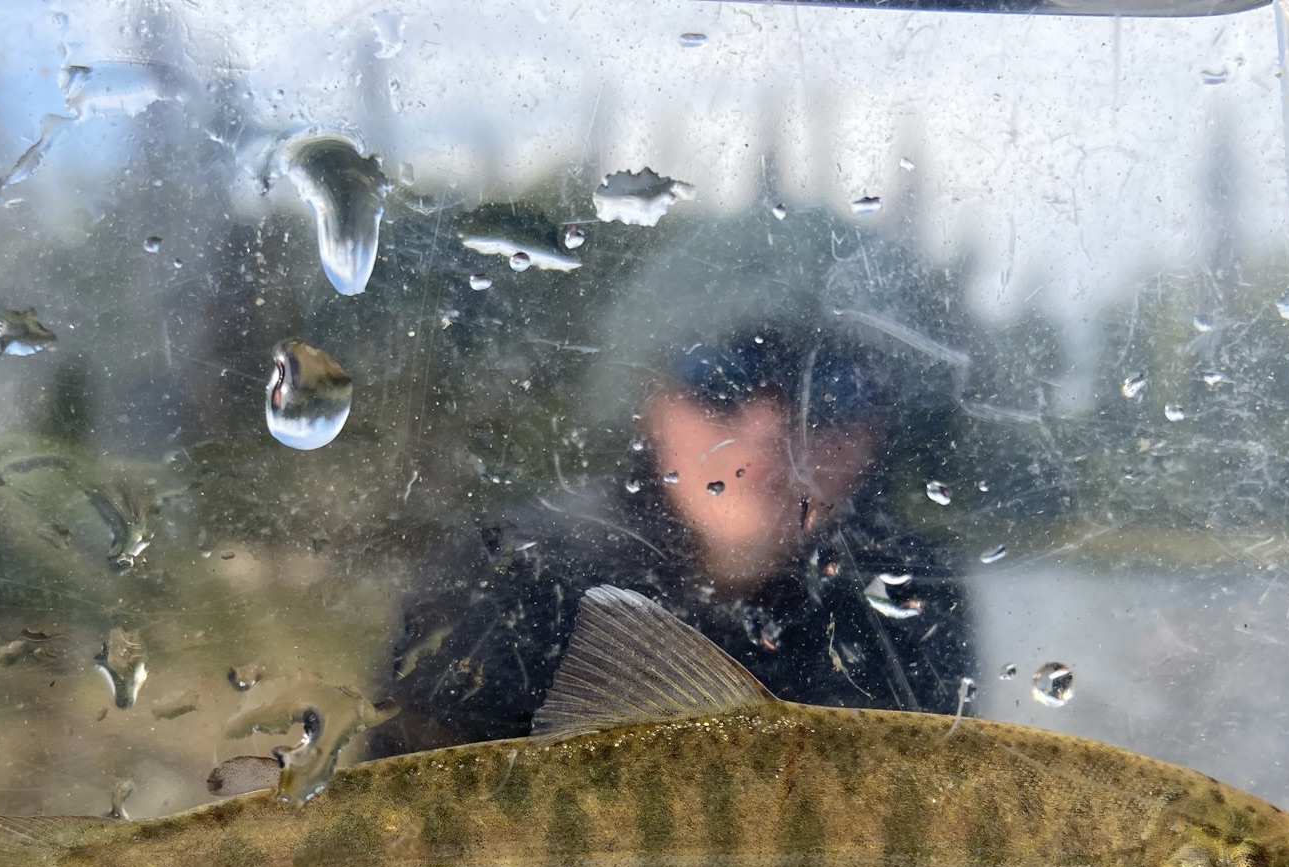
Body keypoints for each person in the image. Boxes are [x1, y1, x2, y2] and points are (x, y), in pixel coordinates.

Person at [371, 209, 979, 753]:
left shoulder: (914, 599)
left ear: (883, 430)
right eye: (721, 371)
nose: (769, 426)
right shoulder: (506, 575)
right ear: (647, 400)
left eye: (833, 388)